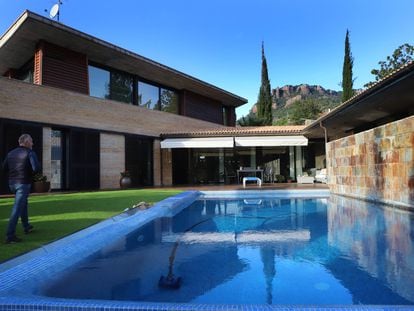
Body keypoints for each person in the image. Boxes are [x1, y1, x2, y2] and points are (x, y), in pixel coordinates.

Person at [2, 134, 40, 244]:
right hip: (23, 184)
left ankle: (26, 226)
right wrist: (29, 174)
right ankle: (10, 235)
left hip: (12, 184)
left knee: (23, 203)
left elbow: (4, 168)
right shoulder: (30, 153)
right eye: (31, 141)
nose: (33, 143)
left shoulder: (10, 153)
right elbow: (36, 169)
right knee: (17, 208)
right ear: (26, 142)